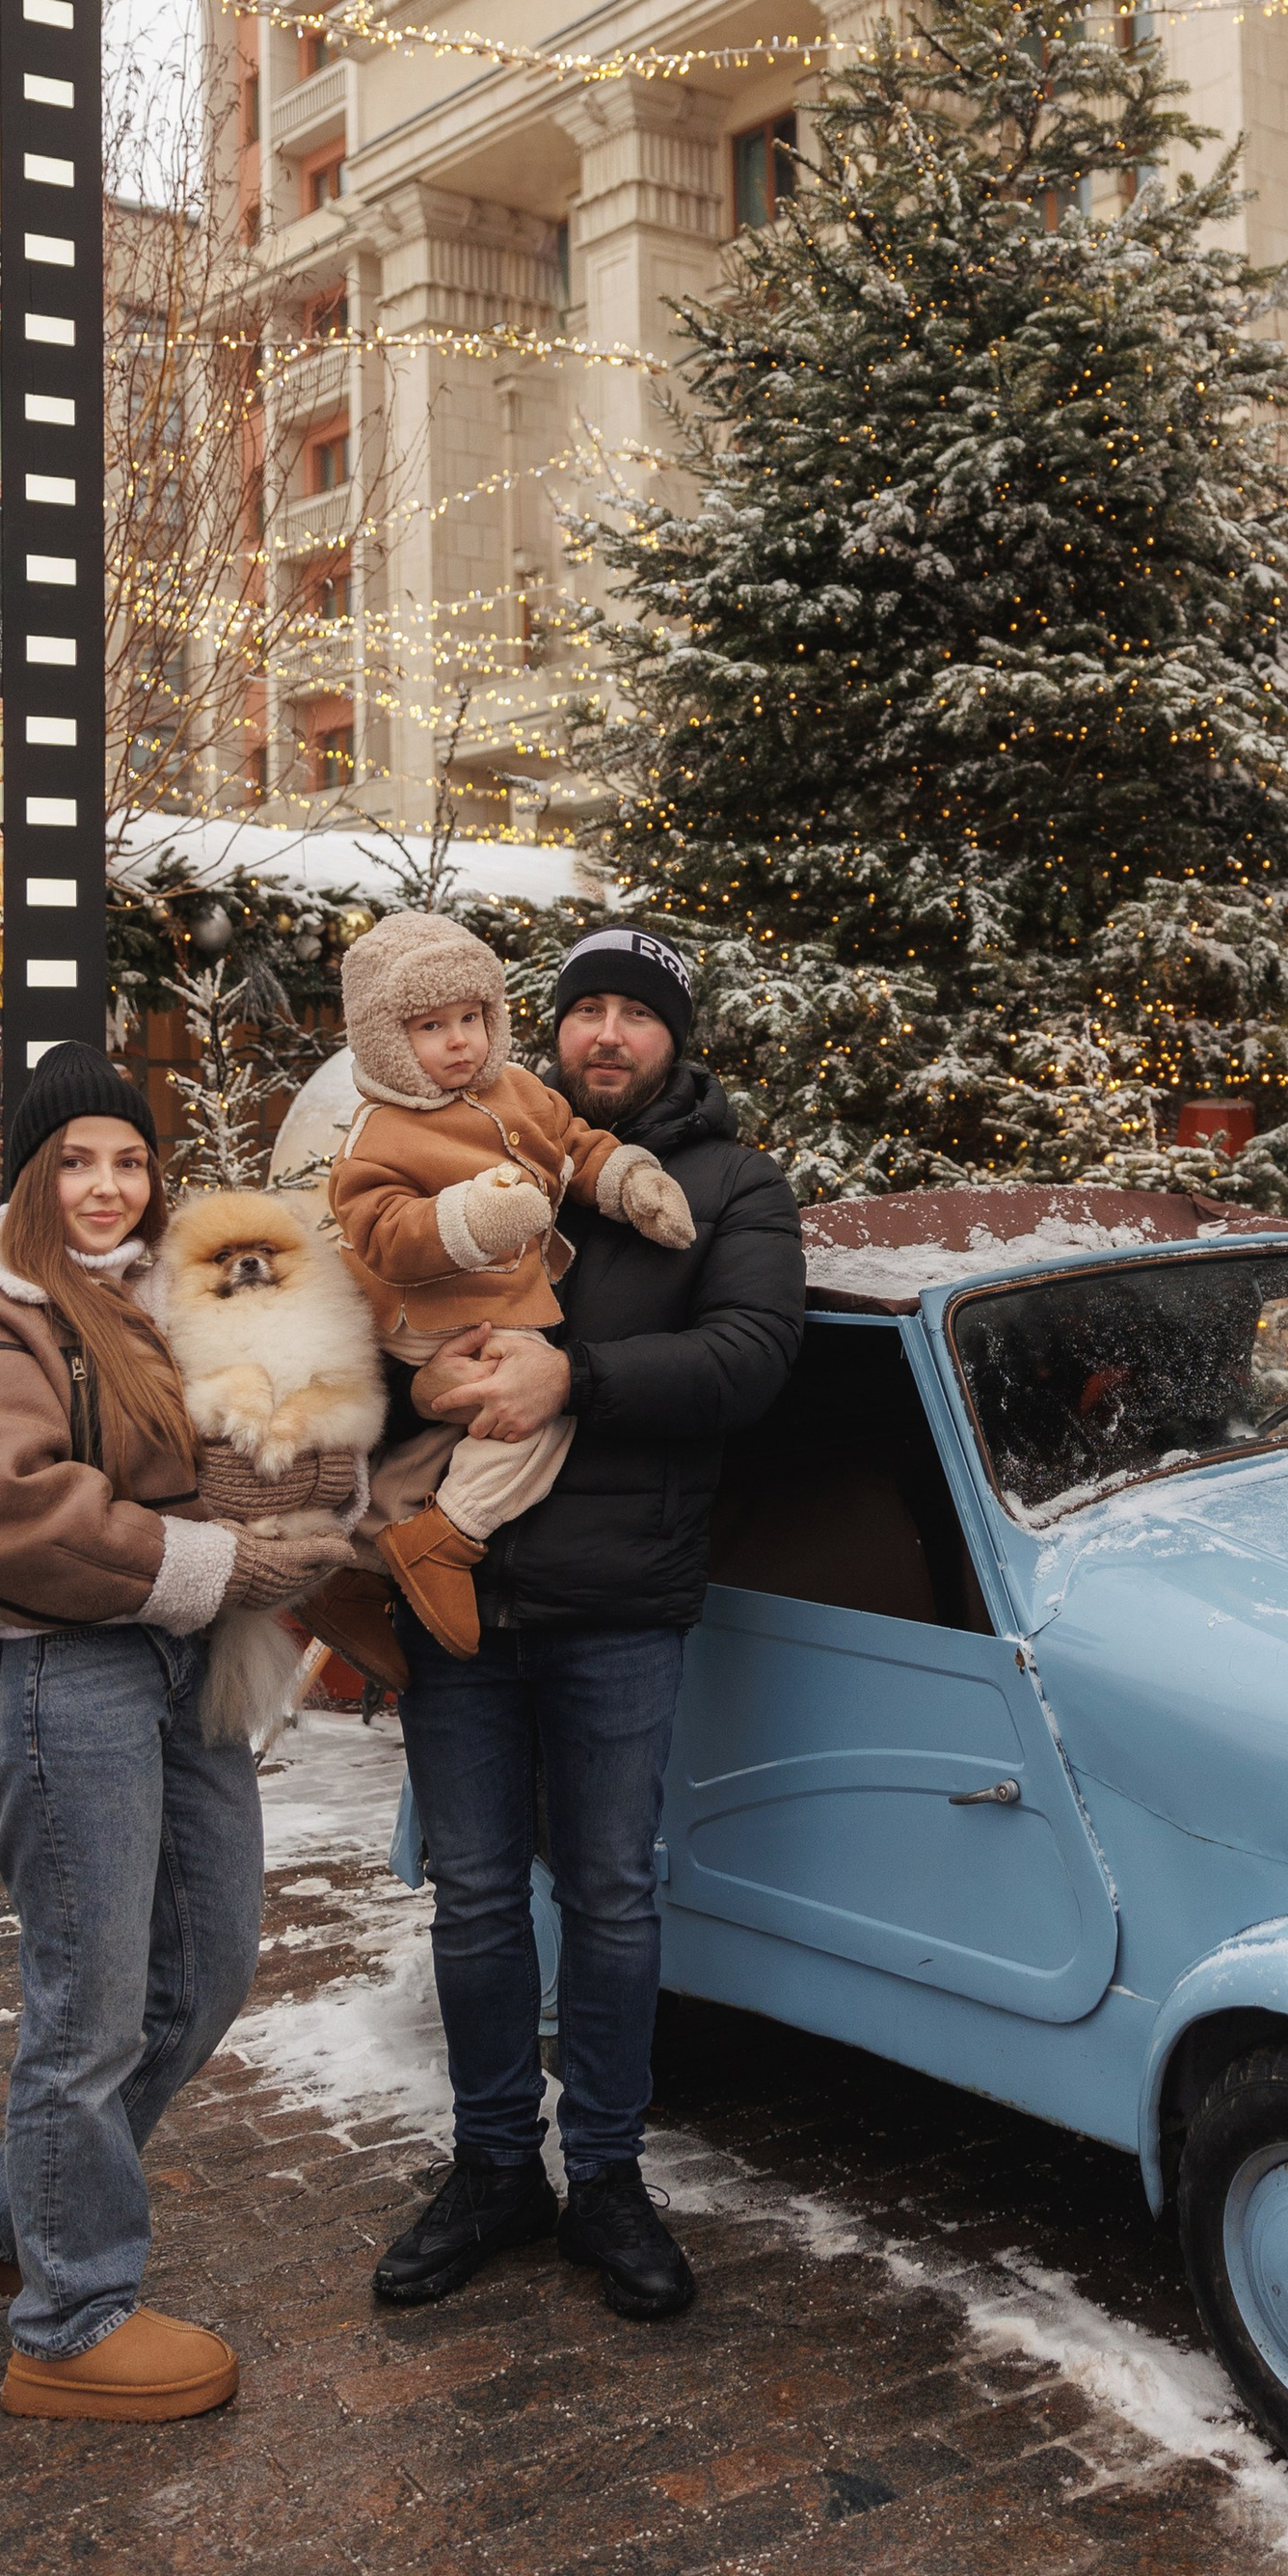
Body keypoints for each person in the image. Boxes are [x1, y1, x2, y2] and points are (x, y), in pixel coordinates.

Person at [0, 1048, 355, 2420]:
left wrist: (306, 1456)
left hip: (183, 1667)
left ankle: (3, 2220)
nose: (105, 1187)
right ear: (33, 1176)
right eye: (75, 1160)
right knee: (86, 2008)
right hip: (63, 1676)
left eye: (128, 1160)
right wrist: (214, 1561)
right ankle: (70, 2321)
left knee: (204, 1969)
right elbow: (3, 1505)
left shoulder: (171, 1300)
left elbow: (272, 1427)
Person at [366, 928, 803, 2326]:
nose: (605, 1035)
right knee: (482, 1897)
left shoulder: (731, 1184)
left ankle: (606, 2175)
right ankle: (496, 2166)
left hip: (621, 1600)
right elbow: (362, 1317)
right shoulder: (450, 1146)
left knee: (612, 1895)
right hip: (459, 1599)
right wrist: (417, 1392)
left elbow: (750, 1356)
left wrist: (576, 1376)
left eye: (636, 1015)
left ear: (678, 1037)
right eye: (585, 1012)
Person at [325, 912, 698, 1655]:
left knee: (456, 1432)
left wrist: (630, 1181)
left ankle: (363, 1560)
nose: (460, 1041)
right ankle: (449, 1536)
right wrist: (473, 1216)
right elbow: (382, 1233)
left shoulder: (519, 1090)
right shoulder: (382, 1130)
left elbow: (574, 1146)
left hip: (485, 1302)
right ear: (386, 1040)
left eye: (472, 1018)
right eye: (432, 1027)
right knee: (536, 1413)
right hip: (430, 1307)